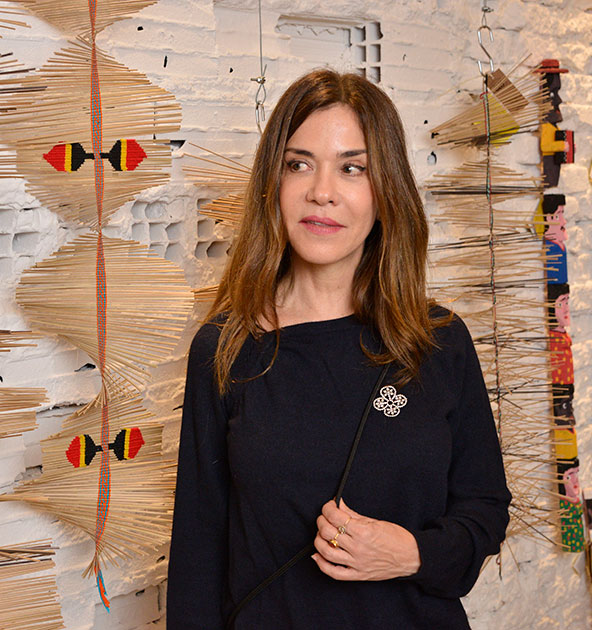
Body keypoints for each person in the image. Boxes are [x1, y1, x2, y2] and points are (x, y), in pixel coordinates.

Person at [167, 69, 511, 630]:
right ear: (273, 184)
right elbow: (196, 558)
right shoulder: (225, 348)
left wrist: (412, 554)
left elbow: (485, 508)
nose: (321, 191)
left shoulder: (438, 340)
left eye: (352, 168)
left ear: (386, 191)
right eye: (298, 164)